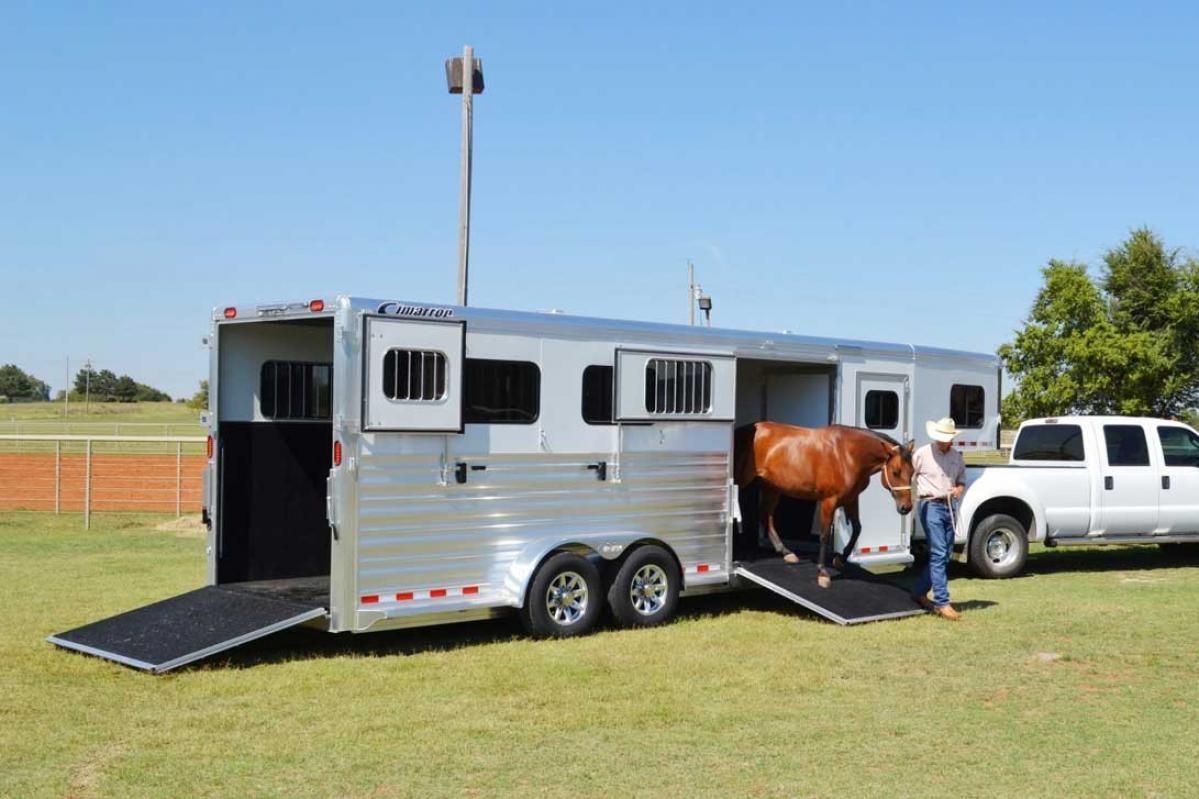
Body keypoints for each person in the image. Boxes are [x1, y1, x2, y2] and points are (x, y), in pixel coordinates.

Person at [910, 417, 966, 621]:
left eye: (947, 438)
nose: (945, 441)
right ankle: (942, 602)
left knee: (945, 553)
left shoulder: (957, 457)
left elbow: (961, 481)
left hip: (949, 506)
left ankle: (918, 592)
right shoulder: (921, 454)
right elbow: (908, 476)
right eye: (942, 438)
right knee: (940, 551)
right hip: (930, 505)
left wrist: (959, 490)